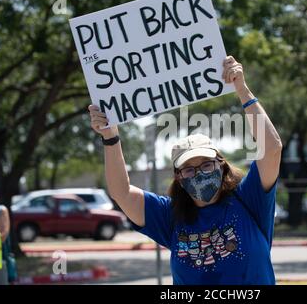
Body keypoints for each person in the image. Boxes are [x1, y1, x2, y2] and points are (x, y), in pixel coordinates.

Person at [88, 56, 283, 284]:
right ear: (179, 179)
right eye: (189, 169)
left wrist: (242, 90)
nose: (199, 173)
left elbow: (272, 149)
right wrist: (111, 137)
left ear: (221, 165)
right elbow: (121, 192)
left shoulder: (249, 200)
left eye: (206, 164)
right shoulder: (170, 216)